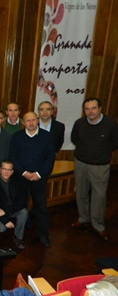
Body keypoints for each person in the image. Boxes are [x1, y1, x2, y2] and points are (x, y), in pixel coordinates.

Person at [70, 98, 118, 241]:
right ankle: (83, 218)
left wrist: (100, 153)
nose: (90, 111)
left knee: (99, 197)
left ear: (100, 108)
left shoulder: (110, 124)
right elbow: (75, 139)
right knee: (81, 193)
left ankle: (98, 226)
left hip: (100, 166)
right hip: (80, 163)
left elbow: (115, 143)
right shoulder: (79, 123)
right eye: (87, 109)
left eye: (93, 108)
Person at [9, 112, 55, 247]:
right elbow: (12, 156)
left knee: (41, 207)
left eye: (33, 120)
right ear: (23, 122)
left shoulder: (46, 137)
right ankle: (20, 234)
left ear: (38, 120)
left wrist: (39, 174)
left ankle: (43, 234)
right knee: (21, 206)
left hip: (39, 179)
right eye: (27, 120)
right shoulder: (17, 137)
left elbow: (49, 158)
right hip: (21, 177)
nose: (31, 123)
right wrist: (24, 172)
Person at [0, 160, 28, 249]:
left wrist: (5, 211)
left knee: (24, 212)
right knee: (1, 228)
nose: (6, 172)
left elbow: (22, 202)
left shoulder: (18, 182)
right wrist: (5, 221)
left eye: (9, 170)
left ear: (12, 172)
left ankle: (18, 237)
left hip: (10, 209)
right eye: (4, 169)